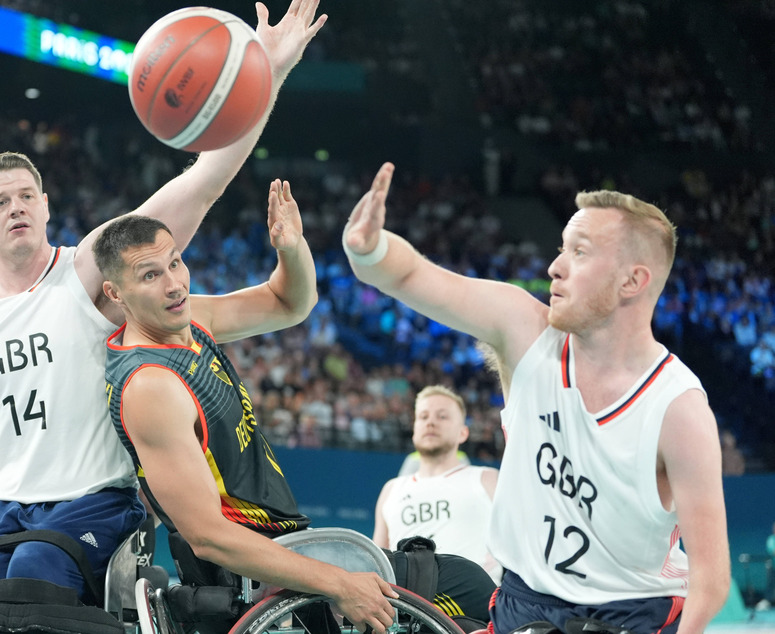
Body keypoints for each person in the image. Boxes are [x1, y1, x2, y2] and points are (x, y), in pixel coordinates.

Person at [0, 0, 328, 605]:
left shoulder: (93, 268)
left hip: (88, 498)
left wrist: (266, 73)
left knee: (35, 589)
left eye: (28, 195)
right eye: (0, 202)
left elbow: (203, 182)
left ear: (48, 205)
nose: (17, 207)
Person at [342, 163, 731, 634]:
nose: (555, 266)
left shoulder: (678, 408)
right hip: (523, 605)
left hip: (635, 613)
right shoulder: (527, 333)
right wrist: (370, 251)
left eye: (580, 252)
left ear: (633, 281)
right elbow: (416, 278)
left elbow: (711, 581)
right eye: (562, 248)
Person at [94, 184, 494, 634]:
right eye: (150, 275)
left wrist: (291, 248)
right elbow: (208, 537)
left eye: (175, 263)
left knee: (472, 594)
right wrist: (341, 583)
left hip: (290, 549)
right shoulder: (151, 385)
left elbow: (290, 303)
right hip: (258, 577)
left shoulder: (188, 320)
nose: (173, 284)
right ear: (115, 292)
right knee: (468, 588)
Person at [374, 385, 503, 586]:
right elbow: (376, 564)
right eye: (423, 417)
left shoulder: (486, 480)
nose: (431, 422)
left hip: (472, 609)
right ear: (414, 429)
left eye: (442, 416)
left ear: (463, 433)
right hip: (406, 609)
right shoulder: (391, 490)